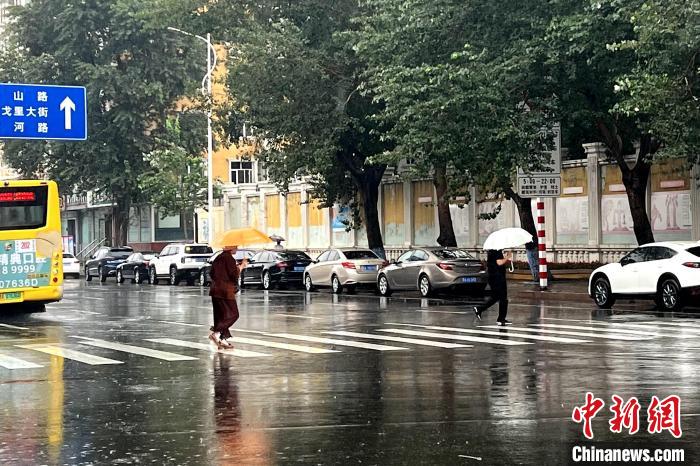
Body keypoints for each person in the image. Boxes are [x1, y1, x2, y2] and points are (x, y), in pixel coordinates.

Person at [209, 245, 247, 349]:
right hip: (225, 291)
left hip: (215, 290)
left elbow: (211, 273)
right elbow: (234, 275)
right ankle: (216, 333)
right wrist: (241, 266)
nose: (237, 248)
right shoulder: (229, 258)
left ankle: (222, 340)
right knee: (233, 314)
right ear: (231, 247)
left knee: (221, 316)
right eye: (235, 246)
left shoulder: (218, 257)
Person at [474, 249, 512, 326]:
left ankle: (480, 309)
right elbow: (499, 262)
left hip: (494, 277)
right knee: (503, 298)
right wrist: (507, 257)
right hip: (498, 277)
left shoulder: (492, 251)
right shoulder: (496, 251)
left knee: (496, 297)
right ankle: (501, 319)